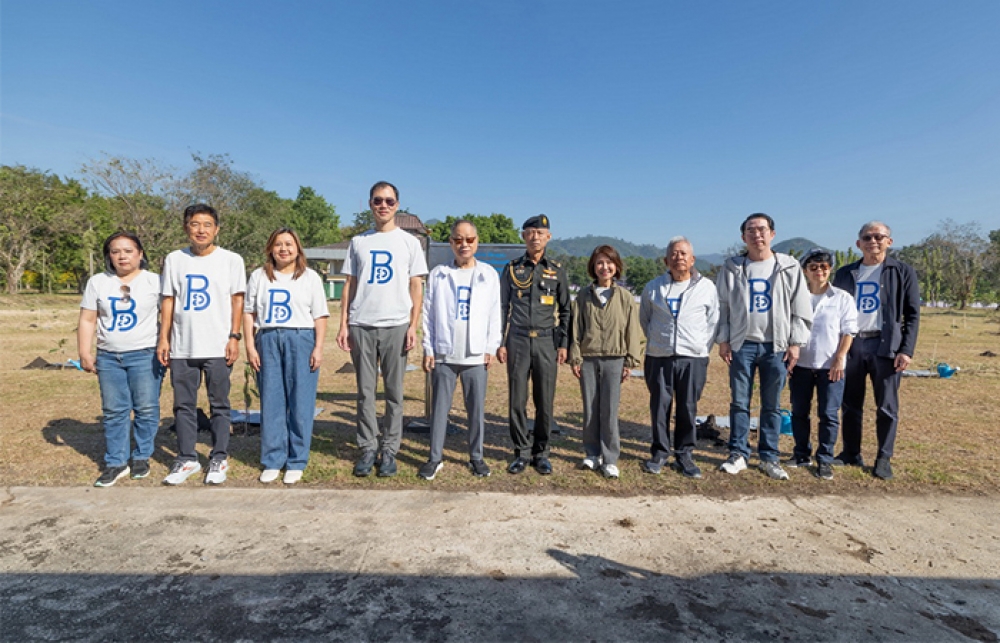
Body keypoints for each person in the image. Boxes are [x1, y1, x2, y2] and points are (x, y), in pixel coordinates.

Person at [337, 181, 428, 478]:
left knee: (394, 393)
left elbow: (416, 285)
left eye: (389, 201)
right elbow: (349, 284)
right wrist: (343, 324)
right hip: (362, 323)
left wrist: (413, 325)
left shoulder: (410, 242)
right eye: (378, 200)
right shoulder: (358, 242)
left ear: (397, 205)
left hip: (396, 325)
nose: (383, 206)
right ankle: (367, 447)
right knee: (365, 392)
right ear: (370, 204)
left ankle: (389, 449)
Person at [716, 213, 812, 480]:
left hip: (776, 346)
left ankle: (769, 457)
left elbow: (800, 306)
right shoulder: (733, 267)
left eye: (761, 229)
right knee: (739, 402)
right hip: (741, 345)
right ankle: (738, 454)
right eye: (750, 230)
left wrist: (795, 343)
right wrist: (723, 339)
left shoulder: (788, 266)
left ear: (772, 234)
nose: (756, 234)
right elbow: (722, 306)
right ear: (743, 236)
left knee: (772, 404)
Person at [158, 203, 247, 485]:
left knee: (219, 404)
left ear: (216, 229)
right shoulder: (175, 259)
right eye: (195, 224)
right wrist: (164, 338)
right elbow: (168, 300)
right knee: (183, 405)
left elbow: (237, 300)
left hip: (218, 345)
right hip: (183, 346)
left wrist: (234, 336)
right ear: (186, 227)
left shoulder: (231, 260)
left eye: (207, 225)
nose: (201, 230)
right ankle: (187, 458)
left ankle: (219, 456)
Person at [833, 222, 920, 480]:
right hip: (852, 345)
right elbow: (834, 311)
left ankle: (883, 457)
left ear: (889, 241)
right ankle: (850, 452)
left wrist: (906, 350)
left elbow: (912, 314)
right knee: (850, 403)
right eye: (867, 237)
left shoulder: (902, 272)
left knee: (886, 406)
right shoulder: (845, 273)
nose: (873, 241)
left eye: (879, 237)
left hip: (886, 346)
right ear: (858, 243)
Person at [78, 231, 164, 487]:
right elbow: (88, 319)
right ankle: (116, 462)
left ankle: (142, 456)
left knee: (146, 408)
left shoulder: (155, 282)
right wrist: (84, 352)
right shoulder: (98, 282)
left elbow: (169, 316)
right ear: (109, 256)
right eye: (115, 251)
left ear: (140, 254)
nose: (122, 256)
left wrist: (166, 345)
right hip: (109, 356)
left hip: (145, 354)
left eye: (128, 251)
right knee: (114, 410)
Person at [244, 228, 329, 485]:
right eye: (278, 244)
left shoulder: (310, 277)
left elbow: (320, 315)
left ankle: (297, 460)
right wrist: (250, 345)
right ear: (270, 248)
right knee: (271, 400)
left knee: (301, 401)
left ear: (297, 248)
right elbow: (249, 312)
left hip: (300, 338)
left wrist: (318, 347)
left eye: (289, 244)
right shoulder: (259, 276)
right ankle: (273, 458)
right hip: (268, 337)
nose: (284, 249)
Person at [418, 220, 502, 480]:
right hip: (444, 354)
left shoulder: (488, 274)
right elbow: (428, 314)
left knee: (475, 410)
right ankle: (435, 458)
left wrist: (491, 346)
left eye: (469, 239)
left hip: (475, 355)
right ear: (451, 242)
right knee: (439, 409)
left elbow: (494, 313)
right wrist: (428, 347)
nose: (464, 244)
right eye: (458, 240)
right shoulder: (439, 274)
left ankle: (476, 457)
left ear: (477, 242)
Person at [638, 237, 718, 479]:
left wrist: (699, 347)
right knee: (659, 406)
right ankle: (660, 452)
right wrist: (659, 341)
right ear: (666, 260)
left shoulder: (707, 287)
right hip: (659, 356)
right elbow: (645, 319)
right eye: (674, 253)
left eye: (683, 253)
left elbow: (712, 322)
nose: (678, 257)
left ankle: (684, 453)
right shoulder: (653, 287)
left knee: (687, 406)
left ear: (692, 260)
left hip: (692, 357)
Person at [497, 214, 570, 475]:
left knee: (545, 400)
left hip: (546, 341)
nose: (535, 237)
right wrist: (500, 341)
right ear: (523, 236)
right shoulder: (512, 269)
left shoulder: (557, 270)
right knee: (517, 400)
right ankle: (521, 452)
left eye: (540, 233)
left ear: (548, 237)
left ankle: (541, 452)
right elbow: (502, 307)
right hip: (517, 339)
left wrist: (563, 344)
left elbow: (566, 310)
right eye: (530, 232)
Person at [568, 245, 642, 479]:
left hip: (615, 359)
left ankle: (610, 459)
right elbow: (575, 328)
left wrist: (630, 361)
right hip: (588, 359)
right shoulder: (583, 296)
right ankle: (592, 454)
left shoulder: (625, 297)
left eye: (609, 262)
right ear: (593, 266)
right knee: (590, 409)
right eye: (599, 262)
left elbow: (632, 330)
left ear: (616, 266)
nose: (604, 267)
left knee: (609, 410)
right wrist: (575, 357)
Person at [788, 248, 857, 480]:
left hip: (831, 366)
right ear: (805, 270)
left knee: (828, 414)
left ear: (830, 270)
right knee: (799, 411)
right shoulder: (796, 297)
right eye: (814, 267)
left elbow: (849, 331)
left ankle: (825, 458)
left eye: (824, 267)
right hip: (801, 364)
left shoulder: (842, 298)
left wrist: (840, 357)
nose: (819, 271)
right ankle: (801, 453)